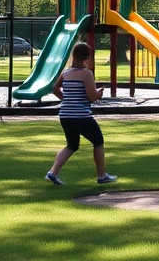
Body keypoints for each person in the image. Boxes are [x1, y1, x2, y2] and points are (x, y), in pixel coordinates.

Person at [46, 42, 116, 186]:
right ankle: (102, 176)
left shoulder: (66, 73)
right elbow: (91, 96)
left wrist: (67, 99)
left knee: (72, 145)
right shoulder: (86, 74)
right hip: (81, 116)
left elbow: (55, 89)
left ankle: (52, 173)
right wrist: (99, 94)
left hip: (65, 115)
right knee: (98, 141)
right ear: (87, 57)